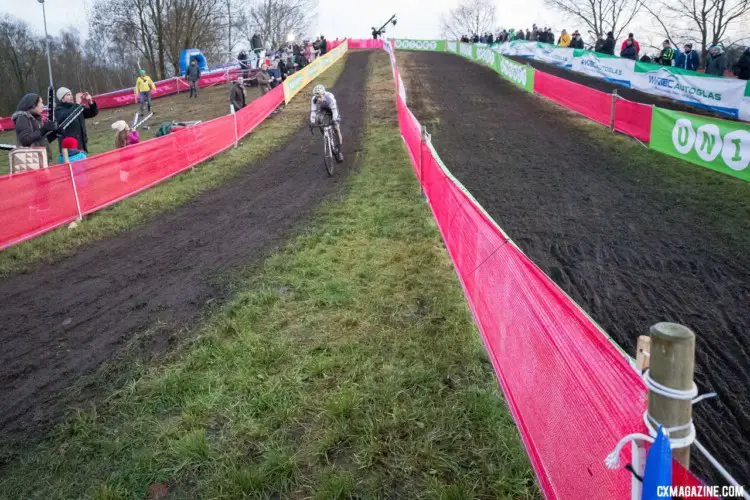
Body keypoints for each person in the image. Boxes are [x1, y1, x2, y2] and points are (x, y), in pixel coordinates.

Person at [56, 86, 99, 155]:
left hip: (81, 145)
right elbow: (68, 116)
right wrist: (77, 103)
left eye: (71, 94)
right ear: (62, 99)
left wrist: (90, 101)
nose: (71, 96)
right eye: (68, 95)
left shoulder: (76, 107)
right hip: (69, 150)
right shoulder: (59, 110)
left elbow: (92, 113)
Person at [309, 84, 342, 158]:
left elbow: (334, 111)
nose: (318, 99)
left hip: (331, 108)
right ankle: (327, 137)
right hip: (322, 108)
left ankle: (339, 152)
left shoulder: (330, 98)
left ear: (324, 94)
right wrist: (312, 122)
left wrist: (334, 121)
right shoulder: (314, 99)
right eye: (317, 97)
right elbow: (313, 111)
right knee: (319, 119)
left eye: (320, 96)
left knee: (337, 128)